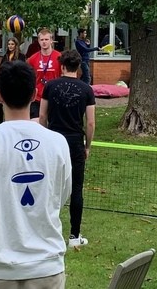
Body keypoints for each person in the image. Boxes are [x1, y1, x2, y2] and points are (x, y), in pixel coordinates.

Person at [0, 60, 71, 288]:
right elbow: (60, 195)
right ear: (34, 94)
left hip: (4, 269)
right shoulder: (58, 142)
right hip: (42, 267)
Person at [39, 49, 96, 248]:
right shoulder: (87, 89)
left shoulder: (50, 86)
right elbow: (90, 123)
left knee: (49, 187)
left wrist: (44, 138)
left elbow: (42, 117)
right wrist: (87, 146)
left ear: (61, 66)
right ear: (78, 67)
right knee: (76, 188)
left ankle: (45, 233)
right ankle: (74, 236)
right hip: (74, 142)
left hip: (53, 141)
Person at [26, 28, 62, 120]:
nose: (44, 42)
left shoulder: (59, 57)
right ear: (38, 41)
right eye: (42, 40)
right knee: (36, 125)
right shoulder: (32, 59)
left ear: (51, 40)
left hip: (54, 97)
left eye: (46, 39)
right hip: (37, 98)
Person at [0, 36, 21, 124]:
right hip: (5, 82)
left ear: (16, 45)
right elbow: (1, 68)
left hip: (15, 83)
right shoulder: (5, 56)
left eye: (12, 44)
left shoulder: (20, 56)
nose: (10, 46)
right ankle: (0, 122)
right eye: (9, 44)